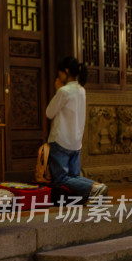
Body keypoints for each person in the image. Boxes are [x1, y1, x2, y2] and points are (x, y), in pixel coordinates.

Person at [45, 56, 108, 199]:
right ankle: (97, 186)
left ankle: (94, 187)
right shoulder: (81, 90)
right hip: (75, 142)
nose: (58, 76)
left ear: (66, 71)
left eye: (60, 72)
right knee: (73, 177)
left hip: (60, 141)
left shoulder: (64, 91)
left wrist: (57, 90)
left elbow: (49, 113)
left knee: (61, 179)